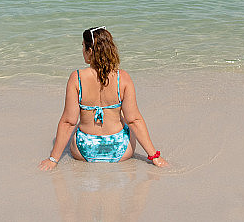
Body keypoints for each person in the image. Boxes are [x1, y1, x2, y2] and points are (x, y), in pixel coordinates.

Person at [39, 27, 169, 170]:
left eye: (83, 46)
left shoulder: (77, 78)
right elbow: (134, 120)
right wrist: (154, 156)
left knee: (77, 124)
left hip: (84, 150)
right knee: (124, 117)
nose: (82, 50)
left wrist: (53, 159)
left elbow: (68, 122)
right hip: (121, 149)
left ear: (90, 51)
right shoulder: (122, 78)